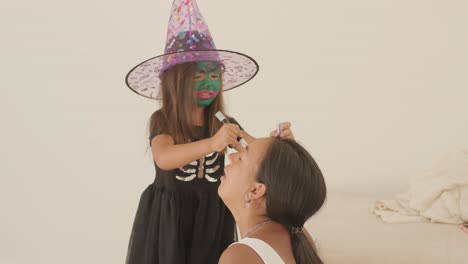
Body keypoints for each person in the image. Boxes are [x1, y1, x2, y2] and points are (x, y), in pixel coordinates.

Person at [124, 1, 293, 263]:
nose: (208, 83)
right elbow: (164, 157)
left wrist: (277, 144)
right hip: (169, 215)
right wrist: (212, 143)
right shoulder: (164, 120)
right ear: (176, 80)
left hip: (211, 213)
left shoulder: (222, 119)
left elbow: (250, 148)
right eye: (198, 75)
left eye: (215, 76)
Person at [218, 138, 327, 264]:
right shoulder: (300, 238)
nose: (231, 156)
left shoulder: (241, 256)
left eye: (241, 158)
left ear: (255, 191)